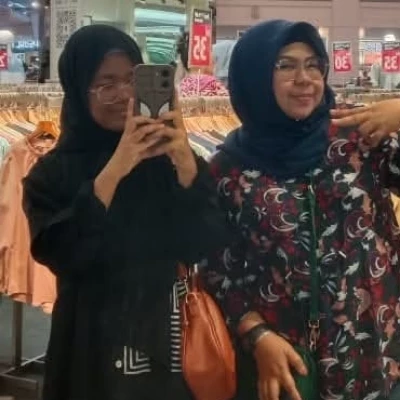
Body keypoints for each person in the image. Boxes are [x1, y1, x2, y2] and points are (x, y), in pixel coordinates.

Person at [22, 25, 231, 400]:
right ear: (79, 90)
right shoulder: (51, 174)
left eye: (132, 80)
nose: (123, 94)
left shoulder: (167, 161)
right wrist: (117, 167)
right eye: (106, 84)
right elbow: (59, 252)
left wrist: (185, 160)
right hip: (91, 349)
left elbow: (207, 240)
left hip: (169, 341)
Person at [203, 19, 400, 400]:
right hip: (287, 369)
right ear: (255, 76)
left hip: (375, 359)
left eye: (313, 65)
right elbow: (218, 270)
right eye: (285, 65)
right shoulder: (227, 170)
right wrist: (256, 334)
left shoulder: (358, 135)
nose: (304, 79)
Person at [176, 31, 228, 97]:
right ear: (203, 56)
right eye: (211, 50)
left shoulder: (180, 88)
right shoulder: (214, 85)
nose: (214, 57)